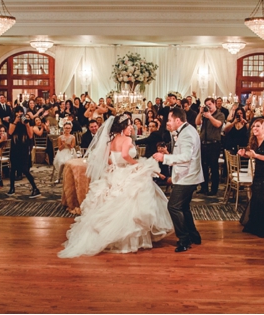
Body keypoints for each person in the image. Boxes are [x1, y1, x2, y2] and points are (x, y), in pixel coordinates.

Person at [59, 114, 173, 258]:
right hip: (124, 171)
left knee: (113, 203)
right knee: (131, 202)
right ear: (123, 127)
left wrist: (117, 165)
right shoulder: (126, 139)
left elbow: (108, 159)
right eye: (129, 125)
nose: (131, 127)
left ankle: (108, 236)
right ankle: (126, 239)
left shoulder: (111, 140)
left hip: (114, 172)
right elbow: (125, 155)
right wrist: (136, 164)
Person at [153, 107, 203, 252]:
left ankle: (184, 240)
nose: (167, 122)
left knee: (173, 207)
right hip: (188, 175)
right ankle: (194, 235)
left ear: (177, 120)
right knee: (183, 207)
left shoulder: (186, 134)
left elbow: (186, 157)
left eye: (169, 120)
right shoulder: (188, 129)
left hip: (187, 177)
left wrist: (164, 158)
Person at [238, 118, 264, 238]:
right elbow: (253, 156)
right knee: (256, 196)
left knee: (262, 197)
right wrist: (244, 154)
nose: (255, 128)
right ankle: (255, 225)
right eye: (254, 126)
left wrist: (256, 155)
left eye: (258, 126)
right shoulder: (255, 140)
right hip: (259, 171)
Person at [8, 107, 40, 198]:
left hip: (24, 147)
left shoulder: (26, 121)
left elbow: (30, 135)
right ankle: (11, 188)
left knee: (24, 169)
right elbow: (10, 132)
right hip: (15, 146)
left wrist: (26, 124)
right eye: (18, 112)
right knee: (13, 168)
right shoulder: (12, 121)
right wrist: (15, 121)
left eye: (21, 112)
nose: (19, 113)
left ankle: (35, 188)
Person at [195, 97, 225, 196]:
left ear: (214, 104)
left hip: (214, 144)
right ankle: (204, 187)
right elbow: (197, 123)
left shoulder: (220, 114)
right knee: (203, 166)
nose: (208, 106)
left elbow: (218, 124)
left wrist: (210, 116)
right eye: (206, 104)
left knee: (213, 167)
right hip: (203, 143)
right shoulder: (204, 115)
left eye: (210, 104)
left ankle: (214, 189)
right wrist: (200, 113)